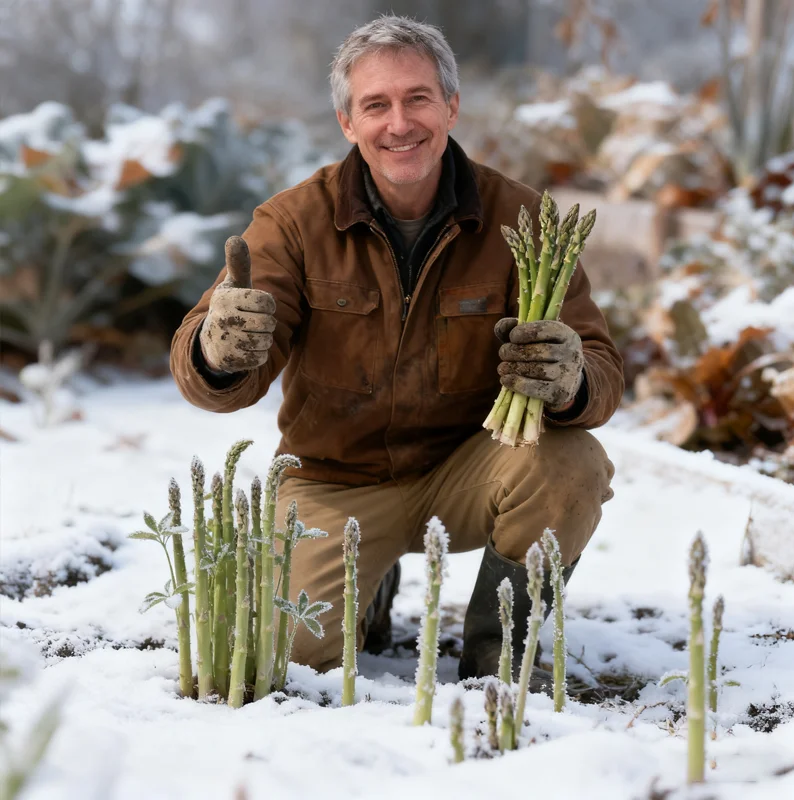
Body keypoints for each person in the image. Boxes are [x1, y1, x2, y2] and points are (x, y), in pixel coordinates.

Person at [170, 15, 623, 690]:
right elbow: (215, 380)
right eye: (375, 105)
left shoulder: (522, 220)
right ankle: (368, 584)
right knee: (284, 652)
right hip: (334, 482)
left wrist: (570, 380)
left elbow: (602, 367)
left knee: (572, 464)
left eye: (417, 98)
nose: (399, 123)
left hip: (468, 472)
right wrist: (218, 348)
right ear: (346, 122)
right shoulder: (293, 223)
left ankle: (501, 646)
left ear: (451, 106)